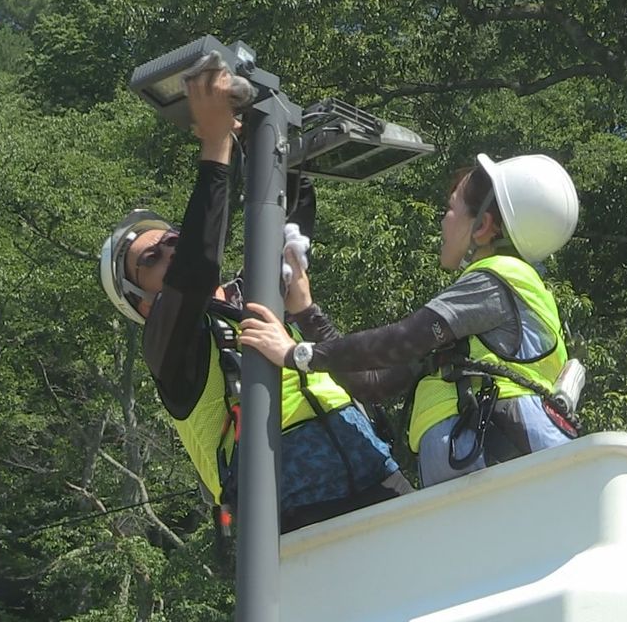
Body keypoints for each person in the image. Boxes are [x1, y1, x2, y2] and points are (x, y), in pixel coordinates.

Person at [98, 64, 410, 533]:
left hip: (376, 471)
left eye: (171, 237)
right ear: (141, 301)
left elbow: (291, 212)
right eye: (151, 259)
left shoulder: (254, 293)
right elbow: (197, 269)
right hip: (291, 517)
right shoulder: (168, 346)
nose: (169, 246)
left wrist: (261, 135)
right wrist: (215, 144)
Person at [237, 152, 583, 486]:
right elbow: (374, 381)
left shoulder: (496, 278)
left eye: (451, 208)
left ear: (484, 227)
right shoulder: (488, 311)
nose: (443, 220)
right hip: (491, 457)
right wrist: (307, 311)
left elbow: (402, 340)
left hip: (493, 454)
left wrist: (296, 354)